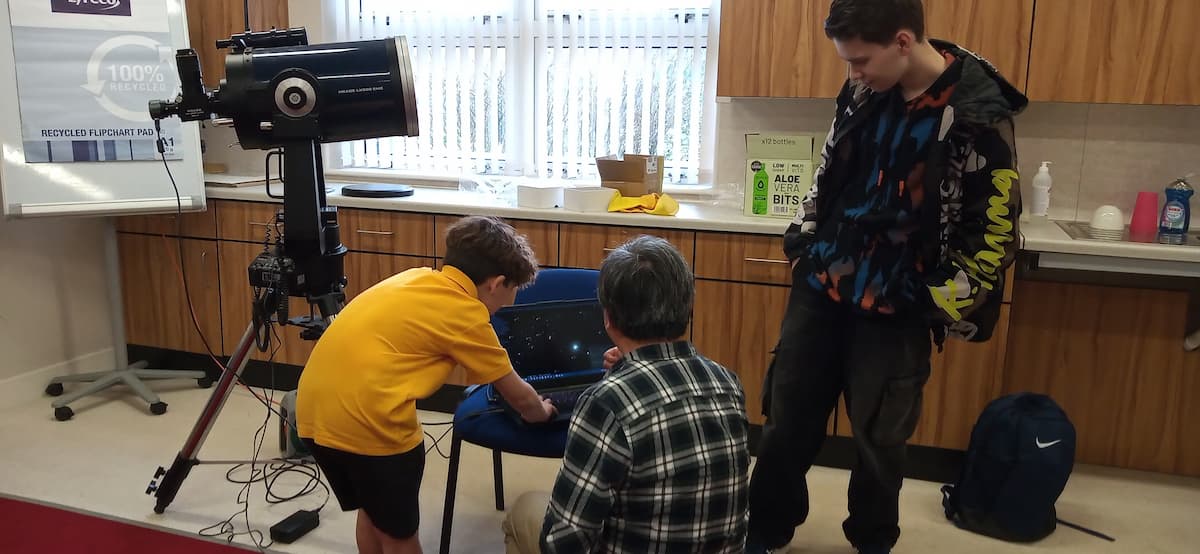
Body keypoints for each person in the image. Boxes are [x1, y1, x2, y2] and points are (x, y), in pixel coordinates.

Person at [745, 1, 1025, 553]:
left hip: (901, 304)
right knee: (785, 421)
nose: (853, 72)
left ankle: (872, 541)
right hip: (823, 285)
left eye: (861, 60)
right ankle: (764, 531)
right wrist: (801, 243)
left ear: (902, 41)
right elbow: (828, 169)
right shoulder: (864, 90)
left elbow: (995, 234)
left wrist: (934, 303)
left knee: (880, 440)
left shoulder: (977, 113)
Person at [295, 216, 557, 554]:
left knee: (374, 512)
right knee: (400, 536)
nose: (503, 308)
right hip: (370, 422)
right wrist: (542, 412)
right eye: (508, 297)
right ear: (496, 284)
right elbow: (519, 397)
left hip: (313, 411)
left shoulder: (416, 277)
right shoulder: (465, 312)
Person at [501, 235, 751, 553]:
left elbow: (563, 542)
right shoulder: (727, 383)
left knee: (524, 509)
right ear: (688, 307)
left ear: (607, 318)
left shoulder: (605, 404)